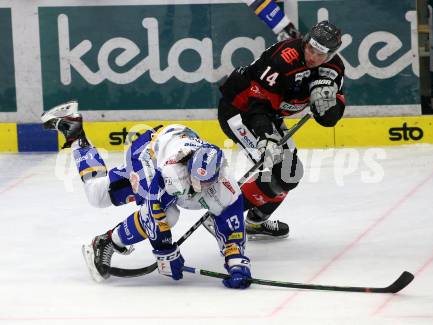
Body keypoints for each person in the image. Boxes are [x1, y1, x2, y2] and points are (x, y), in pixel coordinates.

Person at [41, 101, 251, 289]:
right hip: (149, 154)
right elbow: (154, 211)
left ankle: (75, 131)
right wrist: (165, 251)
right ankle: (106, 242)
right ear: (188, 163)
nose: (198, 185)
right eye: (195, 178)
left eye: (205, 181)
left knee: (99, 194)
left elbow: (233, 228)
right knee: (165, 215)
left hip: (172, 140)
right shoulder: (172, 171)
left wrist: (237, 264)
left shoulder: (226, 185)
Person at [215, 20, 346, 239]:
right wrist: (266, 136)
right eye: (310, 49)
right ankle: (224, 217)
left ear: (331, 55)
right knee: (284, 172)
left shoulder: (334, 69)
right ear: (305, 42)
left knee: (289, 173)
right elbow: (258, 104)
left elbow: (329, 120)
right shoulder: (283, 59)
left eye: (320, 54)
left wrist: (327, 107)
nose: (312, 56)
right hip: (240, 111)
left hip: (270, 115)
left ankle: (256, 221)